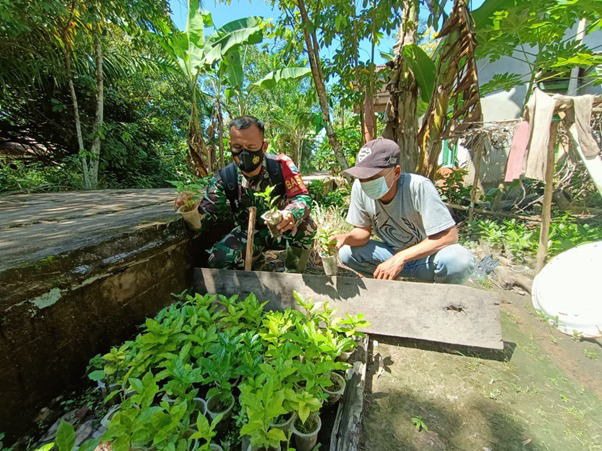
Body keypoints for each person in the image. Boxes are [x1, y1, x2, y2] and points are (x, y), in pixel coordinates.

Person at [175, 116, 316, 272]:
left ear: (264, 147)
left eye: (251, 146)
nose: (244, 153)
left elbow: (302, 197)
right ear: (230, 146)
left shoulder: (281, 166)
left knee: (306, 226)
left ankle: (293, 277)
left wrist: (291, 213)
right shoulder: (225, 177)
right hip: (247, 232)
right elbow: (206, 217)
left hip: (280, 228)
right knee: (218, 260)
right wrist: (190, 209)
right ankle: (255, 267)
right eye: (237, 147)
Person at [334, 138, 475, 283]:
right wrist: (346, 238)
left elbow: (449, 236)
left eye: (374, 177)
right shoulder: (359, 188)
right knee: (347, 252)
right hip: (391, 255)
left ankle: (439, 297)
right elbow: (362, 231)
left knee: (459, 261)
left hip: (426, 259)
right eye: (362, 177)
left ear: (396, 172)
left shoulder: (418, 187)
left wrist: (401, 258)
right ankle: (387, 285)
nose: (366, 182)